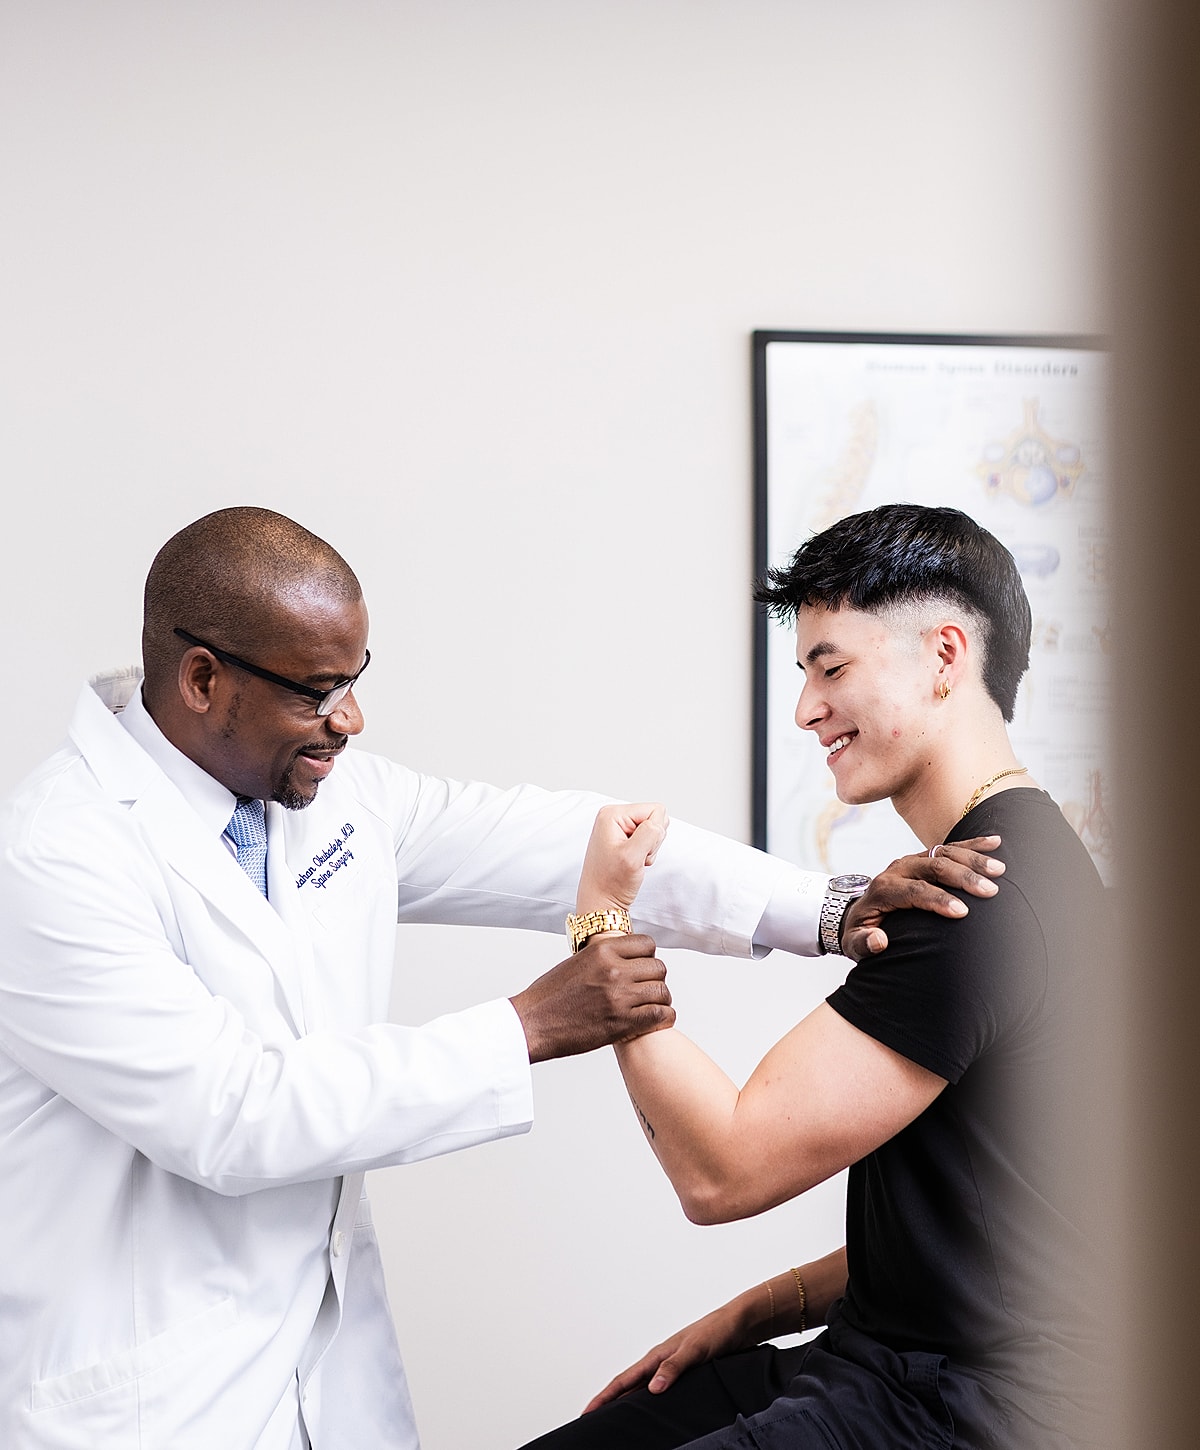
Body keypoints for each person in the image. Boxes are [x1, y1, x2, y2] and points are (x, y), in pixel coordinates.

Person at [0, 507, 998, 1450]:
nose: (350, 718)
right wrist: (525, 1025)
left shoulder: (332, 797)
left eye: (355, 676)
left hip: (325, 1375)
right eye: (316, 689)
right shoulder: (55, 855)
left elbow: (582, 840)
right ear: (204, 678)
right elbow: (230, 1113)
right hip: (149, 1398)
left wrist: (827, 907)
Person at [522, 503, 1107, 1449]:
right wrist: (758, 1310)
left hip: (972, 1408)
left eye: (830, 668)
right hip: (885, 1355)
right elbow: (990, 1227)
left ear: (946, 655)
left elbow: (721, 1171)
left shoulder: (980, 900)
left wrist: (602, 922)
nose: (805, 710)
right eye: (803, 674)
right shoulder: (1029, 864)